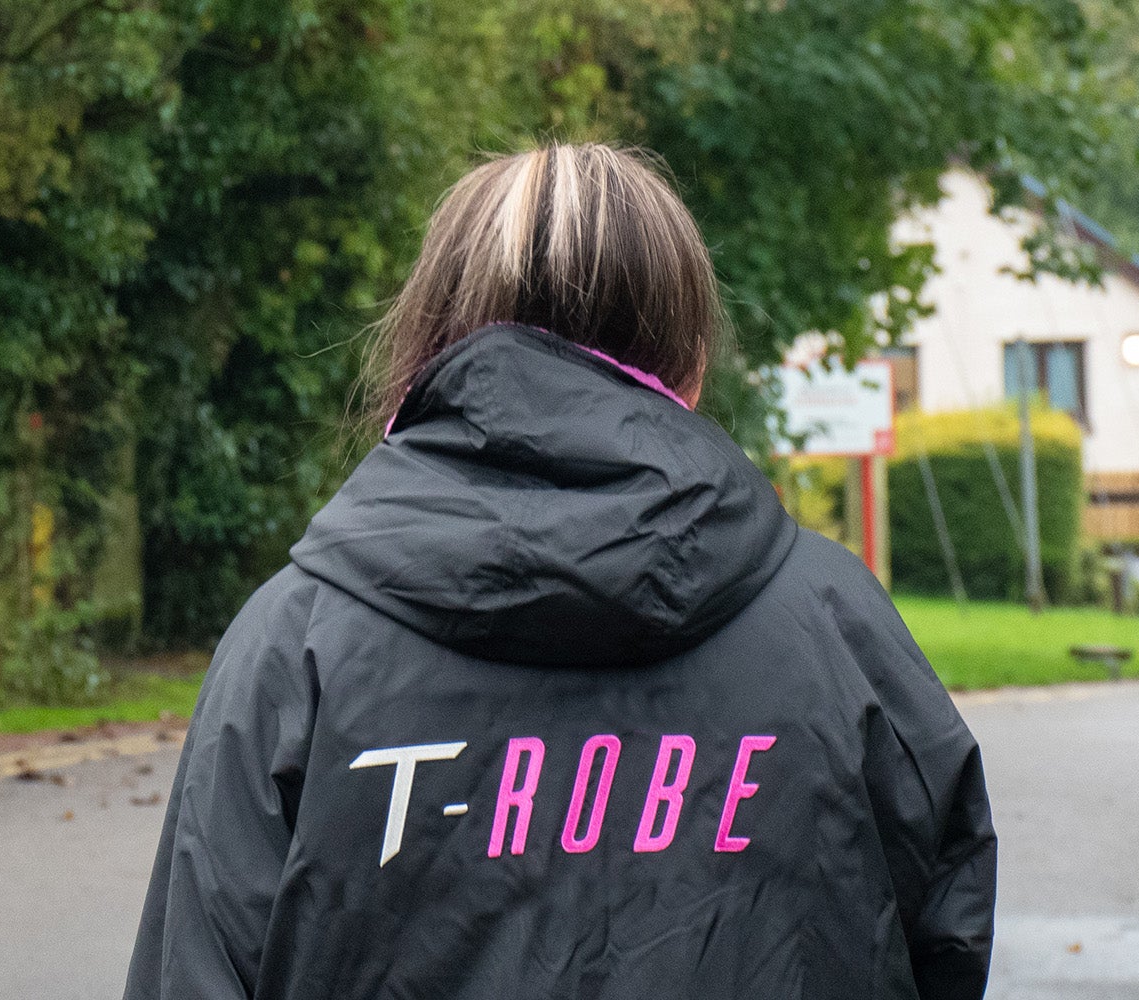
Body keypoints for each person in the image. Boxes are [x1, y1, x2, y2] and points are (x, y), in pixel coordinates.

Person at [123, 144, 993, 999]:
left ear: (425, 340)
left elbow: (195, 970)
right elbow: (945, 926)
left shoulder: (295, 642)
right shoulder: (836, 627)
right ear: (686, 361)